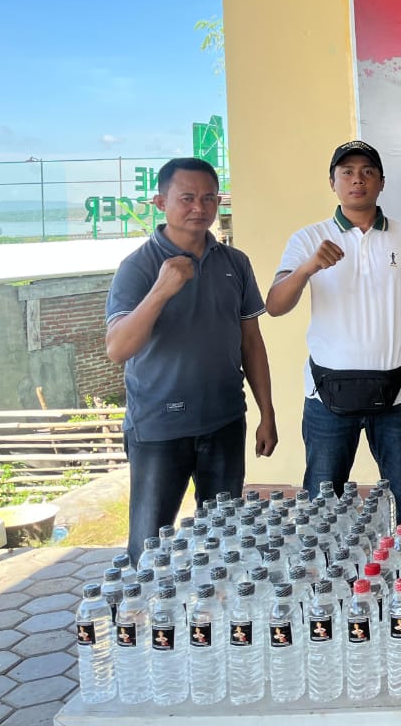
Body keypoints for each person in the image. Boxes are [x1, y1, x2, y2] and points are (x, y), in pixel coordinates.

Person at [105, 158, 277, 563]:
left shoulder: (235, 262)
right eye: (186, 198)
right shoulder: (138, 266)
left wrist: (266, 413)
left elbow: (251, 341)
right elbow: (118, 348)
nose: (199, 207)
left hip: (224, 421)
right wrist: (161, 290)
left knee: (223, 537)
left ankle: (215, 603)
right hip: (159, 427)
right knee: (149, 545)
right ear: (160, 202)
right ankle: (146, 604)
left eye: (208, 198)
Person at [265, 140, 401, 514]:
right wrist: (308, 267)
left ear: (381, 182)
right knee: (323, 505)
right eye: (347, 172)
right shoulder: (308, 238)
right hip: (326, 395)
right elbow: (275, 306)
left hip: (397, 394)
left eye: (367, 172)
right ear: (332, 182)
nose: (357, 179)